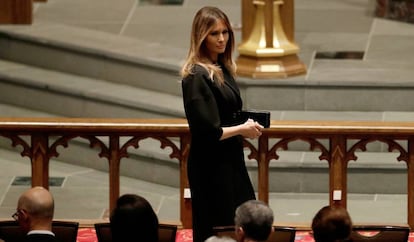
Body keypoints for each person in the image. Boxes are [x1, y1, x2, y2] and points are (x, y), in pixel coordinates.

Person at [180, 6, 264, 242]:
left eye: (225, 32)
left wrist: (245, 124)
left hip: (229, 159)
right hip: (211, 165)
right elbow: (207, 131)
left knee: (241, 222)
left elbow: (226, 112)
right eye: (214, 33)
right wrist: (242, 129)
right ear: (201, 37)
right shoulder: (196, 76)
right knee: (220, 227)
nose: (222, 39)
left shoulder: (222, 68)